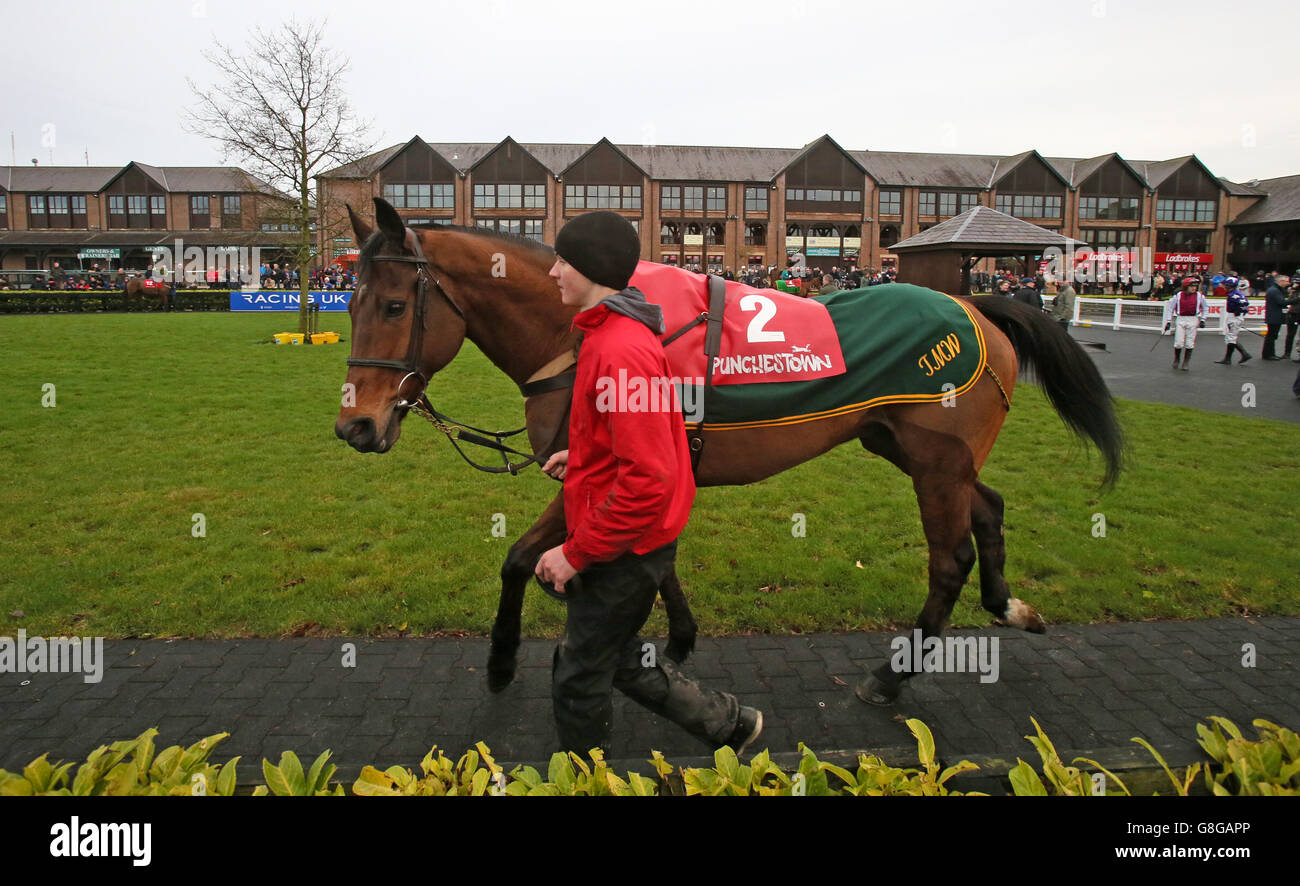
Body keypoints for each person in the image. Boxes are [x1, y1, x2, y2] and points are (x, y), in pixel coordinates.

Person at [534, 210, 762, 758]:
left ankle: (587, 780)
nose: (553, 272)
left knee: (579, 676)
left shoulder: (619, 348)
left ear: (591, 268)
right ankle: (728, 725)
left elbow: (649, 479)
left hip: (624, 547)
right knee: (606, 656)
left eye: (563, 260)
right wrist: (584, 454)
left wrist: (576, 553)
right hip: (633, 540)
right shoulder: (615, 335)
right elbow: (649, 436)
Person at [1161, 274, 1208, 370]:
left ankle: (1186, 362)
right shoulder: (1178, 296)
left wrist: (1203, 319)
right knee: (1178, 342)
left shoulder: (1200, 296)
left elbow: (1205, 308)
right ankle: (1177, 359)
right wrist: (1169, 321)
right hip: (1181, 318)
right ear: (1186, 286)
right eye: (1192, 286)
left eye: (1195, 286)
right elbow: (1170, 308)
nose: (1194, 288)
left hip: (1193, 319)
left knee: (1190, 342)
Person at [1215, 278, 1253, 365]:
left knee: (1231, 338)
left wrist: (1237, 315)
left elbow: (1240, 307)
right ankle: (1241, 355)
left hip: (1234, 317)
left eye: (1225, 285)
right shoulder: (1237, 294)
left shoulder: (1233, 295)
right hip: (1236, 316)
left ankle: (1230, 358)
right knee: (1231, 337)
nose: (1224, 286)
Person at [1261, 274, 1297, 360]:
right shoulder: (1274, 291)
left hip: (1274, 316)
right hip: (1274, 316)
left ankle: (1269, 353)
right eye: (1287, 281)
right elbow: (1281, 302)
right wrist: (1297, 299)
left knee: (1272, 335)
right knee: (1271, 336)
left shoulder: (1276, 289)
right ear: (1281, 281)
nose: (1288, 283)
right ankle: (1268, 354)